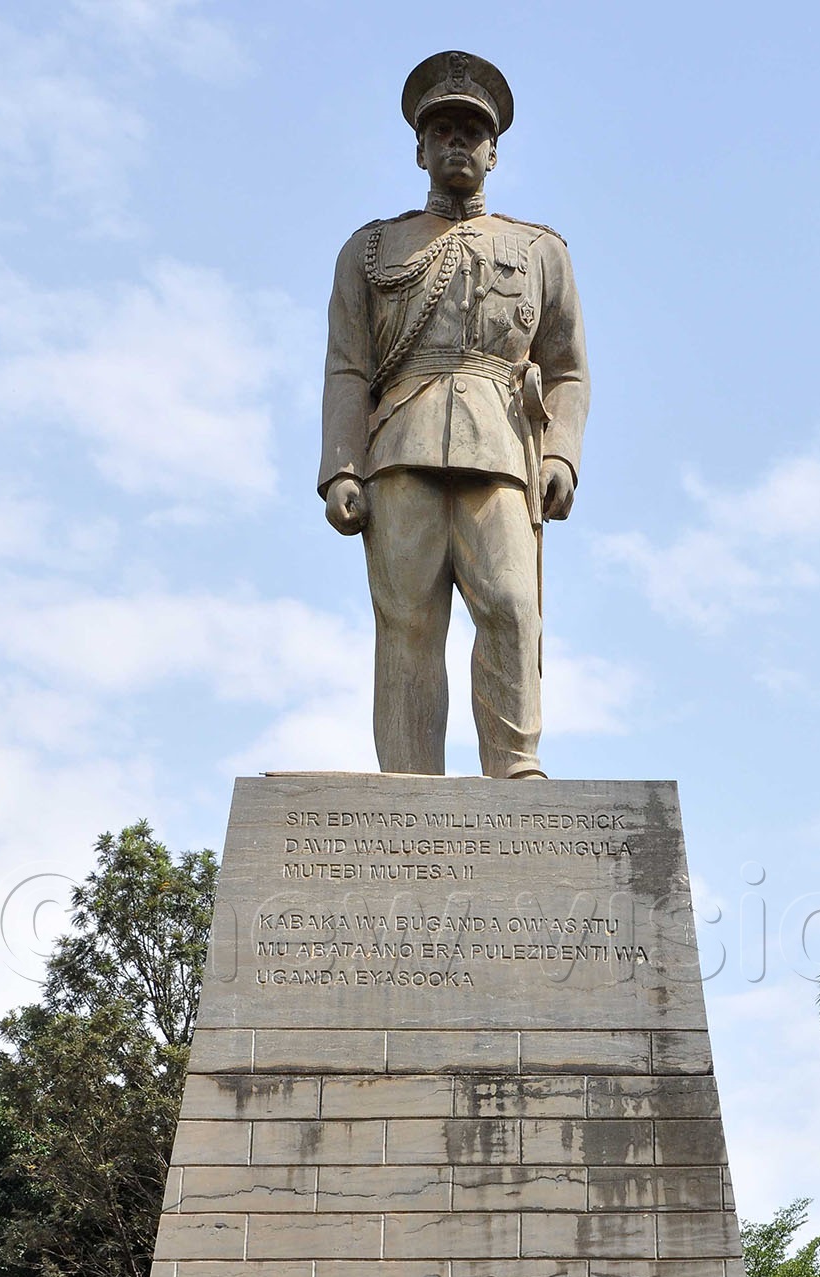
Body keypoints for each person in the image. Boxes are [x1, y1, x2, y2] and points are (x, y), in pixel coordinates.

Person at [319, 50, 590, 779]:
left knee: (509, 605)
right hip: (398, 449)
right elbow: (347, 364)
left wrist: (560, 453)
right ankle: (409, 780)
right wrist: (342, 467)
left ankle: (516, 767)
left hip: (501, 448)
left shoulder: (540, 251)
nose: (457, 144)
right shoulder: (370, 250)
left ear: (494, 150)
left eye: (471, 132)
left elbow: (565, 369)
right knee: (406, 623)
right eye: (442, 132)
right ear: (420, 148)